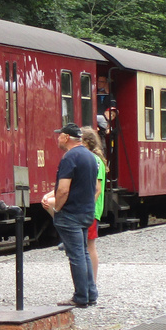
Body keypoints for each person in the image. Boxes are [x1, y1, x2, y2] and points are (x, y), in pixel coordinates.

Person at [40, 122, 98, 307]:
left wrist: (57, 209)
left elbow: (63, 190)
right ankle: (91, 294)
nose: (57, 138)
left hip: (71, 213)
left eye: (60, 135)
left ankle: (81, 297)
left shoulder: (69, 158)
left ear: (66, 137)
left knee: (76, 255)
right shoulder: (90, 157)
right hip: (86, 212)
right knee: (84, 253)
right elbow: (95, 187)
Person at [80, 126, 108, 290]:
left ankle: (92, 283)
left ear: (85, 142)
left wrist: (86, 208)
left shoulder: (93, 160)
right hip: (91, 208)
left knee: (89, 246)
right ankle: (90, 282)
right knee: (88, 246)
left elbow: (97, 189)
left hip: (90, 209)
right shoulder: (96, 159)